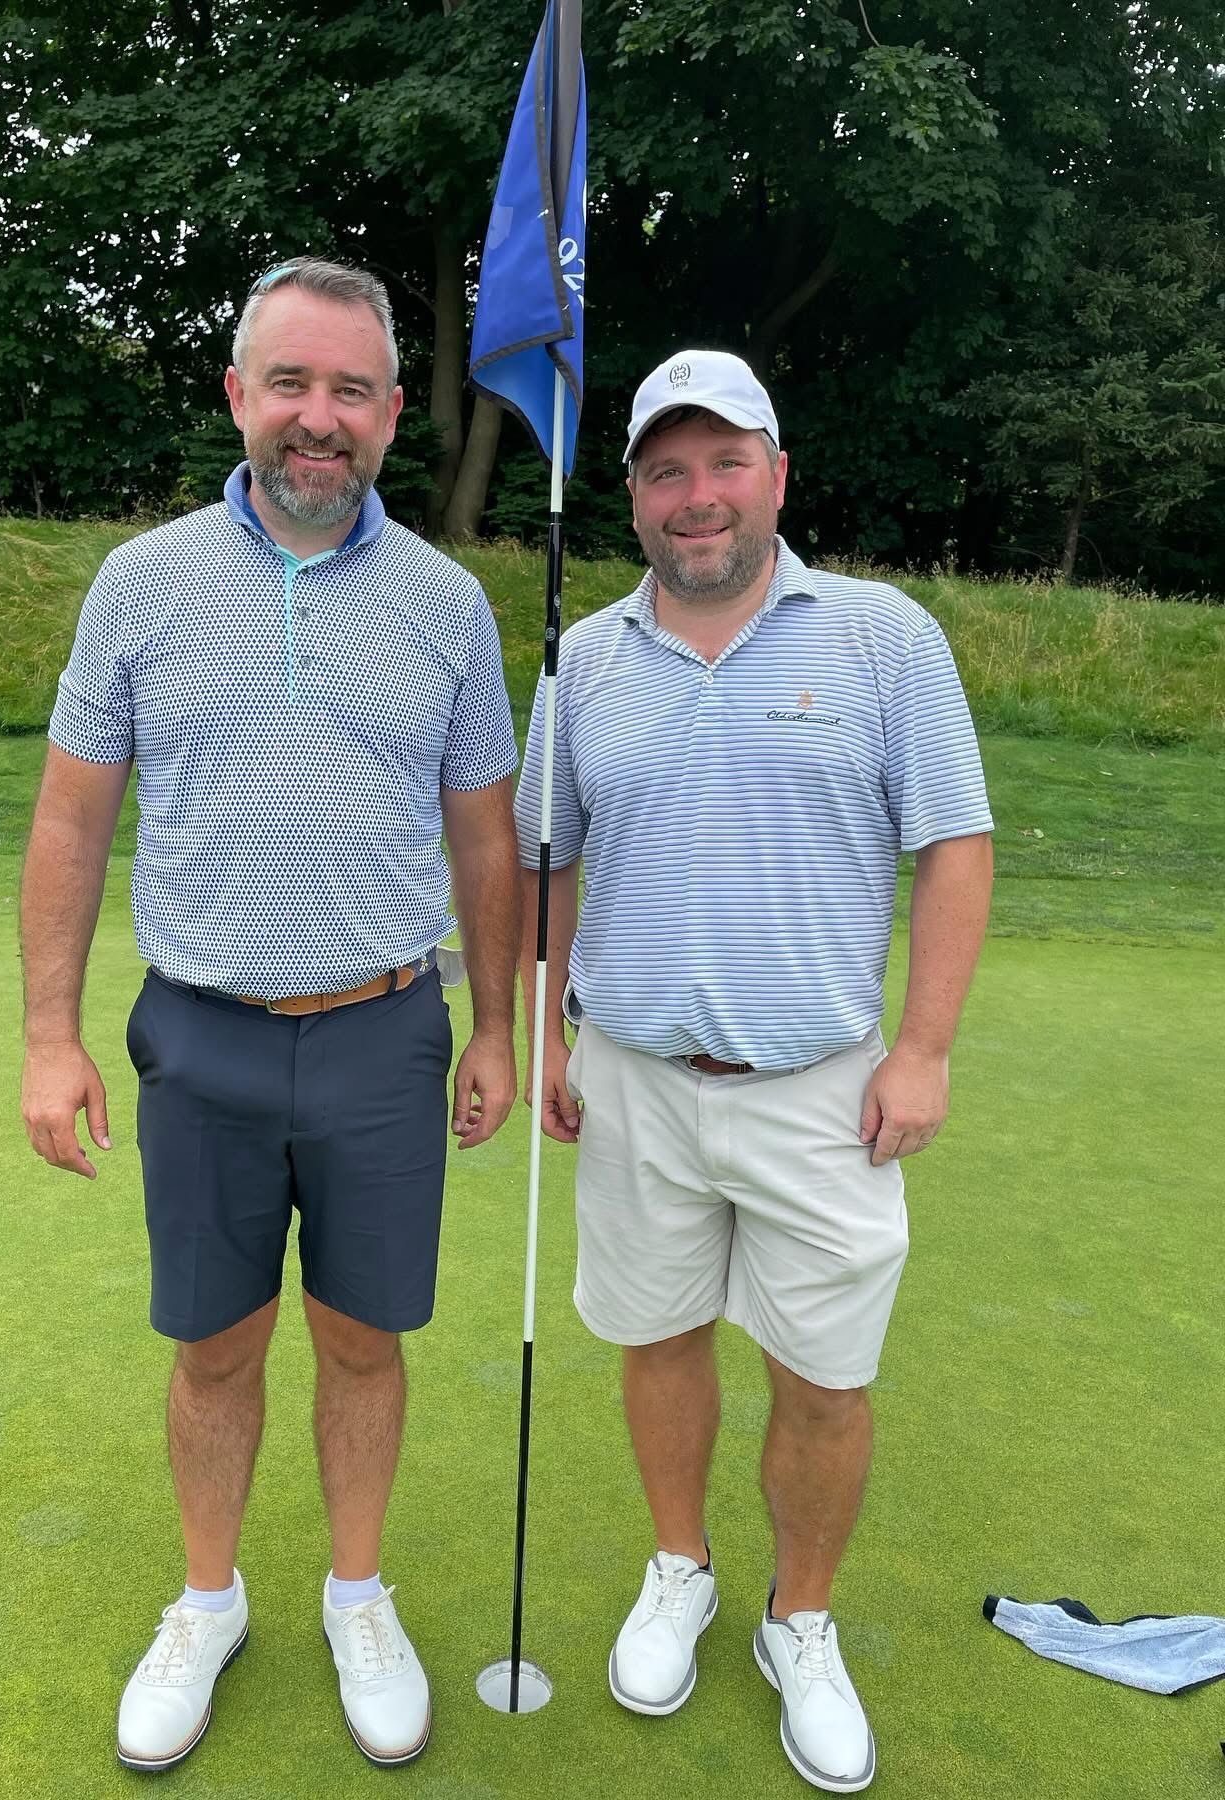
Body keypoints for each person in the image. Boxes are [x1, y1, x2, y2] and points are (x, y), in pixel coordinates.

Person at [19, 258, 521, 1774]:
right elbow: (69, 825)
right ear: (239, 395)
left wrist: (496, 1026)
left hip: (382, 1031)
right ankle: (210, 1597)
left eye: (353, 390)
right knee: (217, 1347)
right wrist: (49, 1036)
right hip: (206, 1032)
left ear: (388, 416)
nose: (321, 417)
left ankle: (356, 1595)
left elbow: (487, 838)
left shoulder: (447, 603)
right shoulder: (141, 583)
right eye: (290, 383)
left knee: (363, 1343)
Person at [515, 350, 994, 1793]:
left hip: (821, 1087)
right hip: (638, 1076)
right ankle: (682, 1570)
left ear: (779, 477)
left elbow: (953, 847)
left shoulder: (881, 636)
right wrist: (545, 1022)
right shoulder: (584, 657)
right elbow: (550, 856)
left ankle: (802, 1617)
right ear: (636, 496)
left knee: (826, 1378)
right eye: (669, 469)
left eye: (727, 463)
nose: (699, 494)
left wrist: (924, 1050)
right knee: (657, 1340)